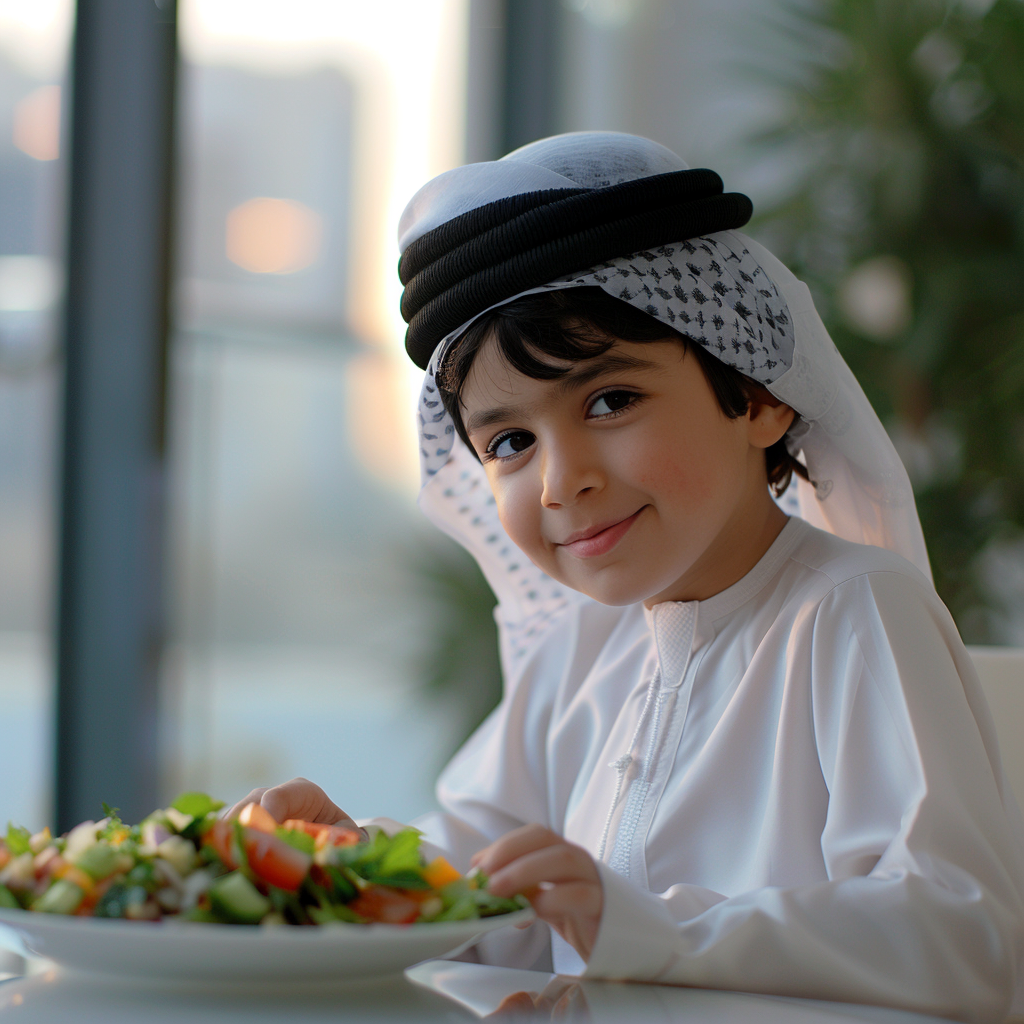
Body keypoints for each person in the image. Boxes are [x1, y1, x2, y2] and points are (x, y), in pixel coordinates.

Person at [227, 133, 1024, 1022]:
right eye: (511, 443)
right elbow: (487, 890)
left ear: (757, 394)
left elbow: (961, 937)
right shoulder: (579, 645)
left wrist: (646, 928)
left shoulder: (851, 613)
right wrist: (353, 860)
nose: (562, 480)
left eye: (610, 402)